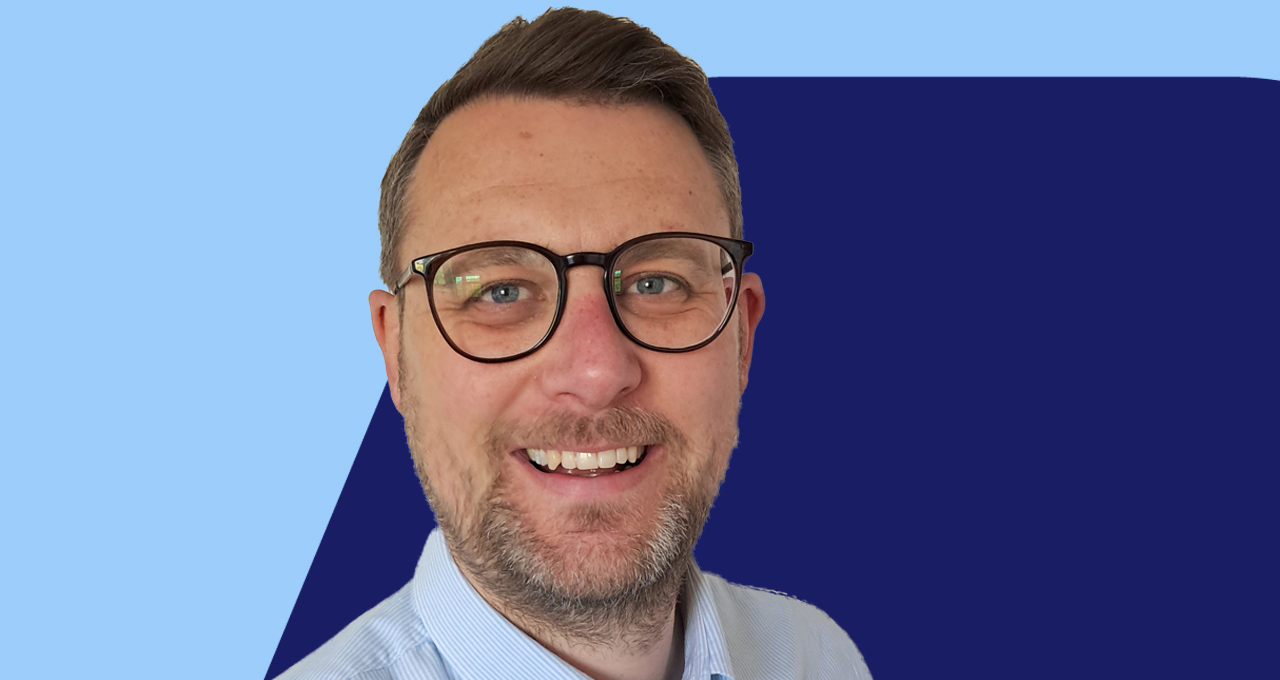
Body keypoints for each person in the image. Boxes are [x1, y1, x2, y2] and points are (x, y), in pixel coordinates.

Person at [279, 7, 871, 680]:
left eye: (656, 283)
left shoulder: (815, 657)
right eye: (499, 291)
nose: (595, 369)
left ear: (742, 337)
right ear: (396, 354)